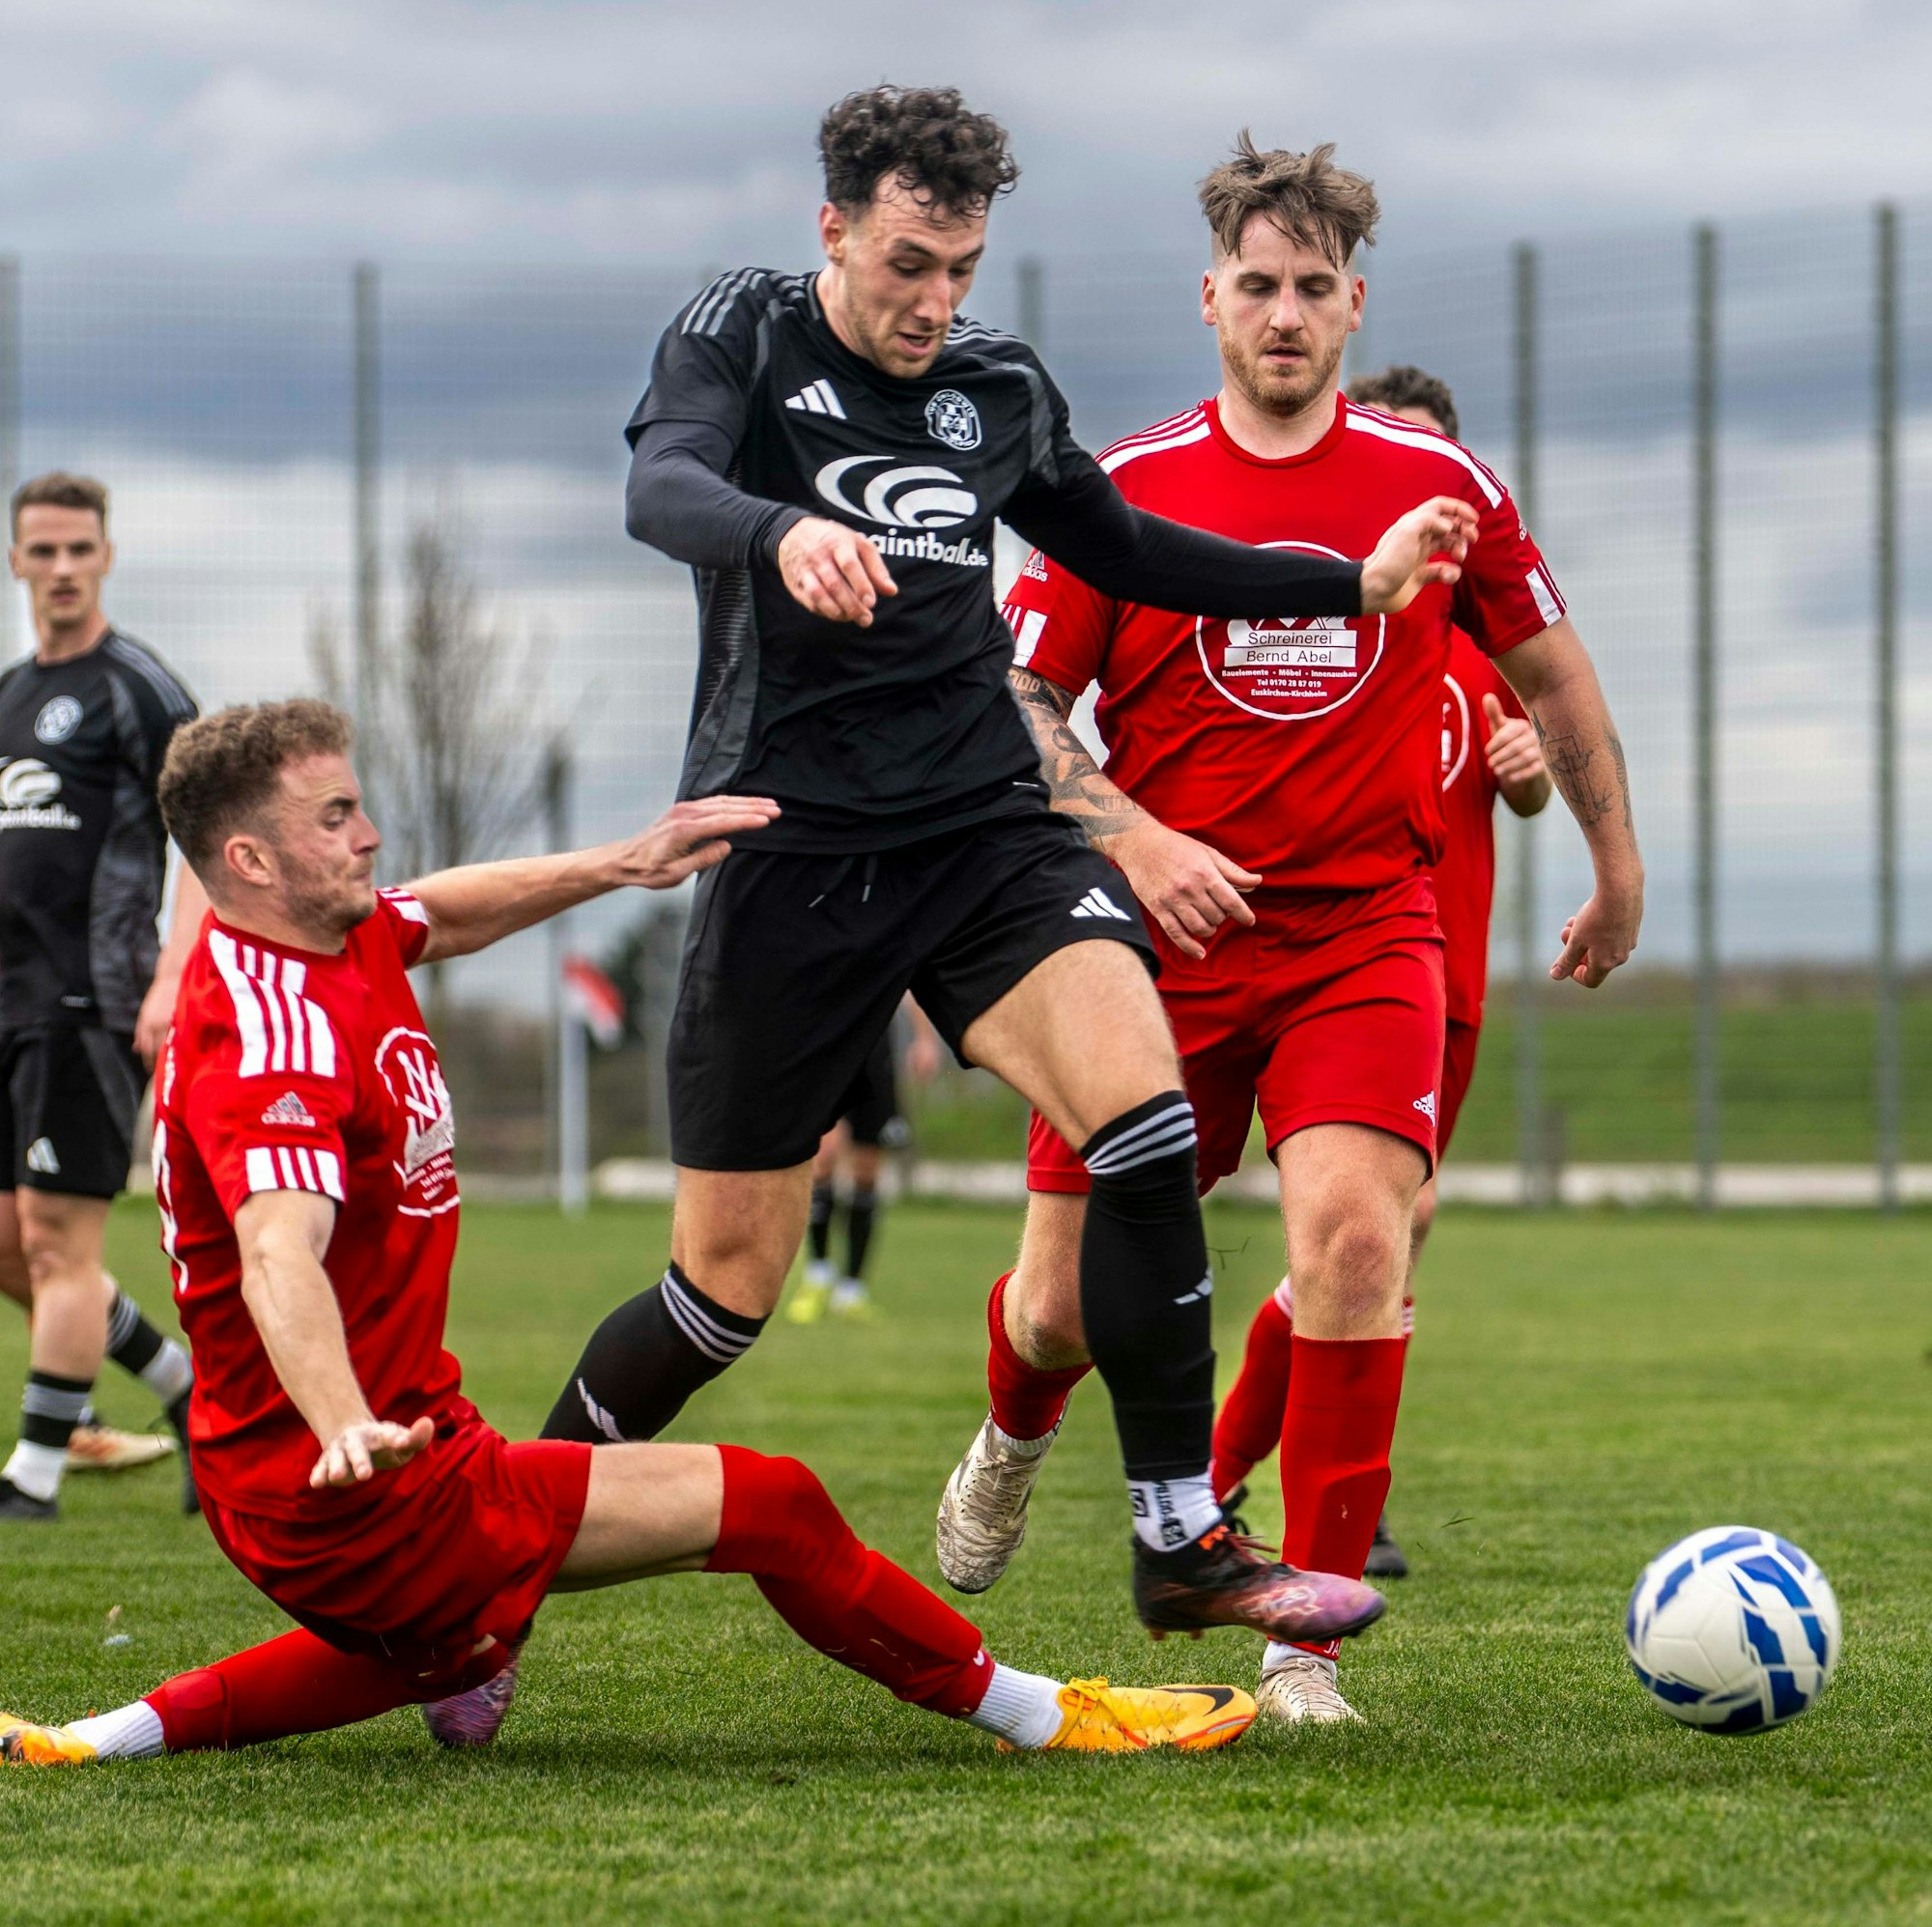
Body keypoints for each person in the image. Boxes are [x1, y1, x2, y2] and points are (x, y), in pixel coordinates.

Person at [538, 86, 1474, 1650]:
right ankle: (500, 1549)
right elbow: (660, 487)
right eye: (908, 263)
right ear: (833, 226)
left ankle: (1182, 1537)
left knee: (1148, 1127)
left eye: (962, 268)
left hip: (983, 833)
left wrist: (1347, 580)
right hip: (794, 850)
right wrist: (772, 534)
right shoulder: (740, 336)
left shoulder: (993, 386)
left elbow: (1128, 547)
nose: (933, 304)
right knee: (725, 1288)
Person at [0, 697, 1259, 1768]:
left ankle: (95, 1740)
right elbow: (278, 1251)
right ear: (251, 860)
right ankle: (1054, 1718)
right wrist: (345, 1427)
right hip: (356, 1475)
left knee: (454, 1638)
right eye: (334, 818)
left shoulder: (331, 930)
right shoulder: (270, 1034)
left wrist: (621, 864)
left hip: (315, 1468)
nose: (369, 832)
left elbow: (442, 911)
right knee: (775, 1503)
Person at [932, 139, 1642, 1725]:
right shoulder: (1123, 490)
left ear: (1351, 305)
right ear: (1210, 300)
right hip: (1151, 947)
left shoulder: (1438, 483)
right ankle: (1012, 1441)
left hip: (1362, 934)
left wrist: (1616, 865)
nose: (1284, 314)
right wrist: (1139, 833)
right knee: (1056, 1309)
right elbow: (1021, 704)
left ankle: (1301, 1648)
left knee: (1353, 1240)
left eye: (1314, 289)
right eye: (1257, 285)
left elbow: (1556, 674)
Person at [1209, 365, 1553, 1583]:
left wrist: (1527, 772)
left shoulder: (1479, 647)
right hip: (1319, 960)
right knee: (1369, 1235)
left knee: (1379, 1240)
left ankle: (1255, 1474)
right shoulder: (1322, 623)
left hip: (1436, 977)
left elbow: (1525, 775)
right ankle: (1249, 1477)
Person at [0, 473, 205, 1521]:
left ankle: (30, 1478)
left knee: (56, 1239)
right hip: (8, 1003)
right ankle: (186, 1393)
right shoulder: (9, 696)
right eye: (44, 551)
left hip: (91, 1000)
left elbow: (210, 840)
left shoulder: (140, 688)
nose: (63, 568)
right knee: (12, 1245)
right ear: (17, 562)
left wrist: (173, 971)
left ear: (107, 557)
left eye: (81, 549)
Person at [790, 997, 942, 1323]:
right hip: (826, 1047)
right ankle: (818, 1274)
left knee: (866, 1173)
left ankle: (852, 1289)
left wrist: (925, 1039)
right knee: (824, 1156)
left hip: (874, 1051)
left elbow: (910, 979)